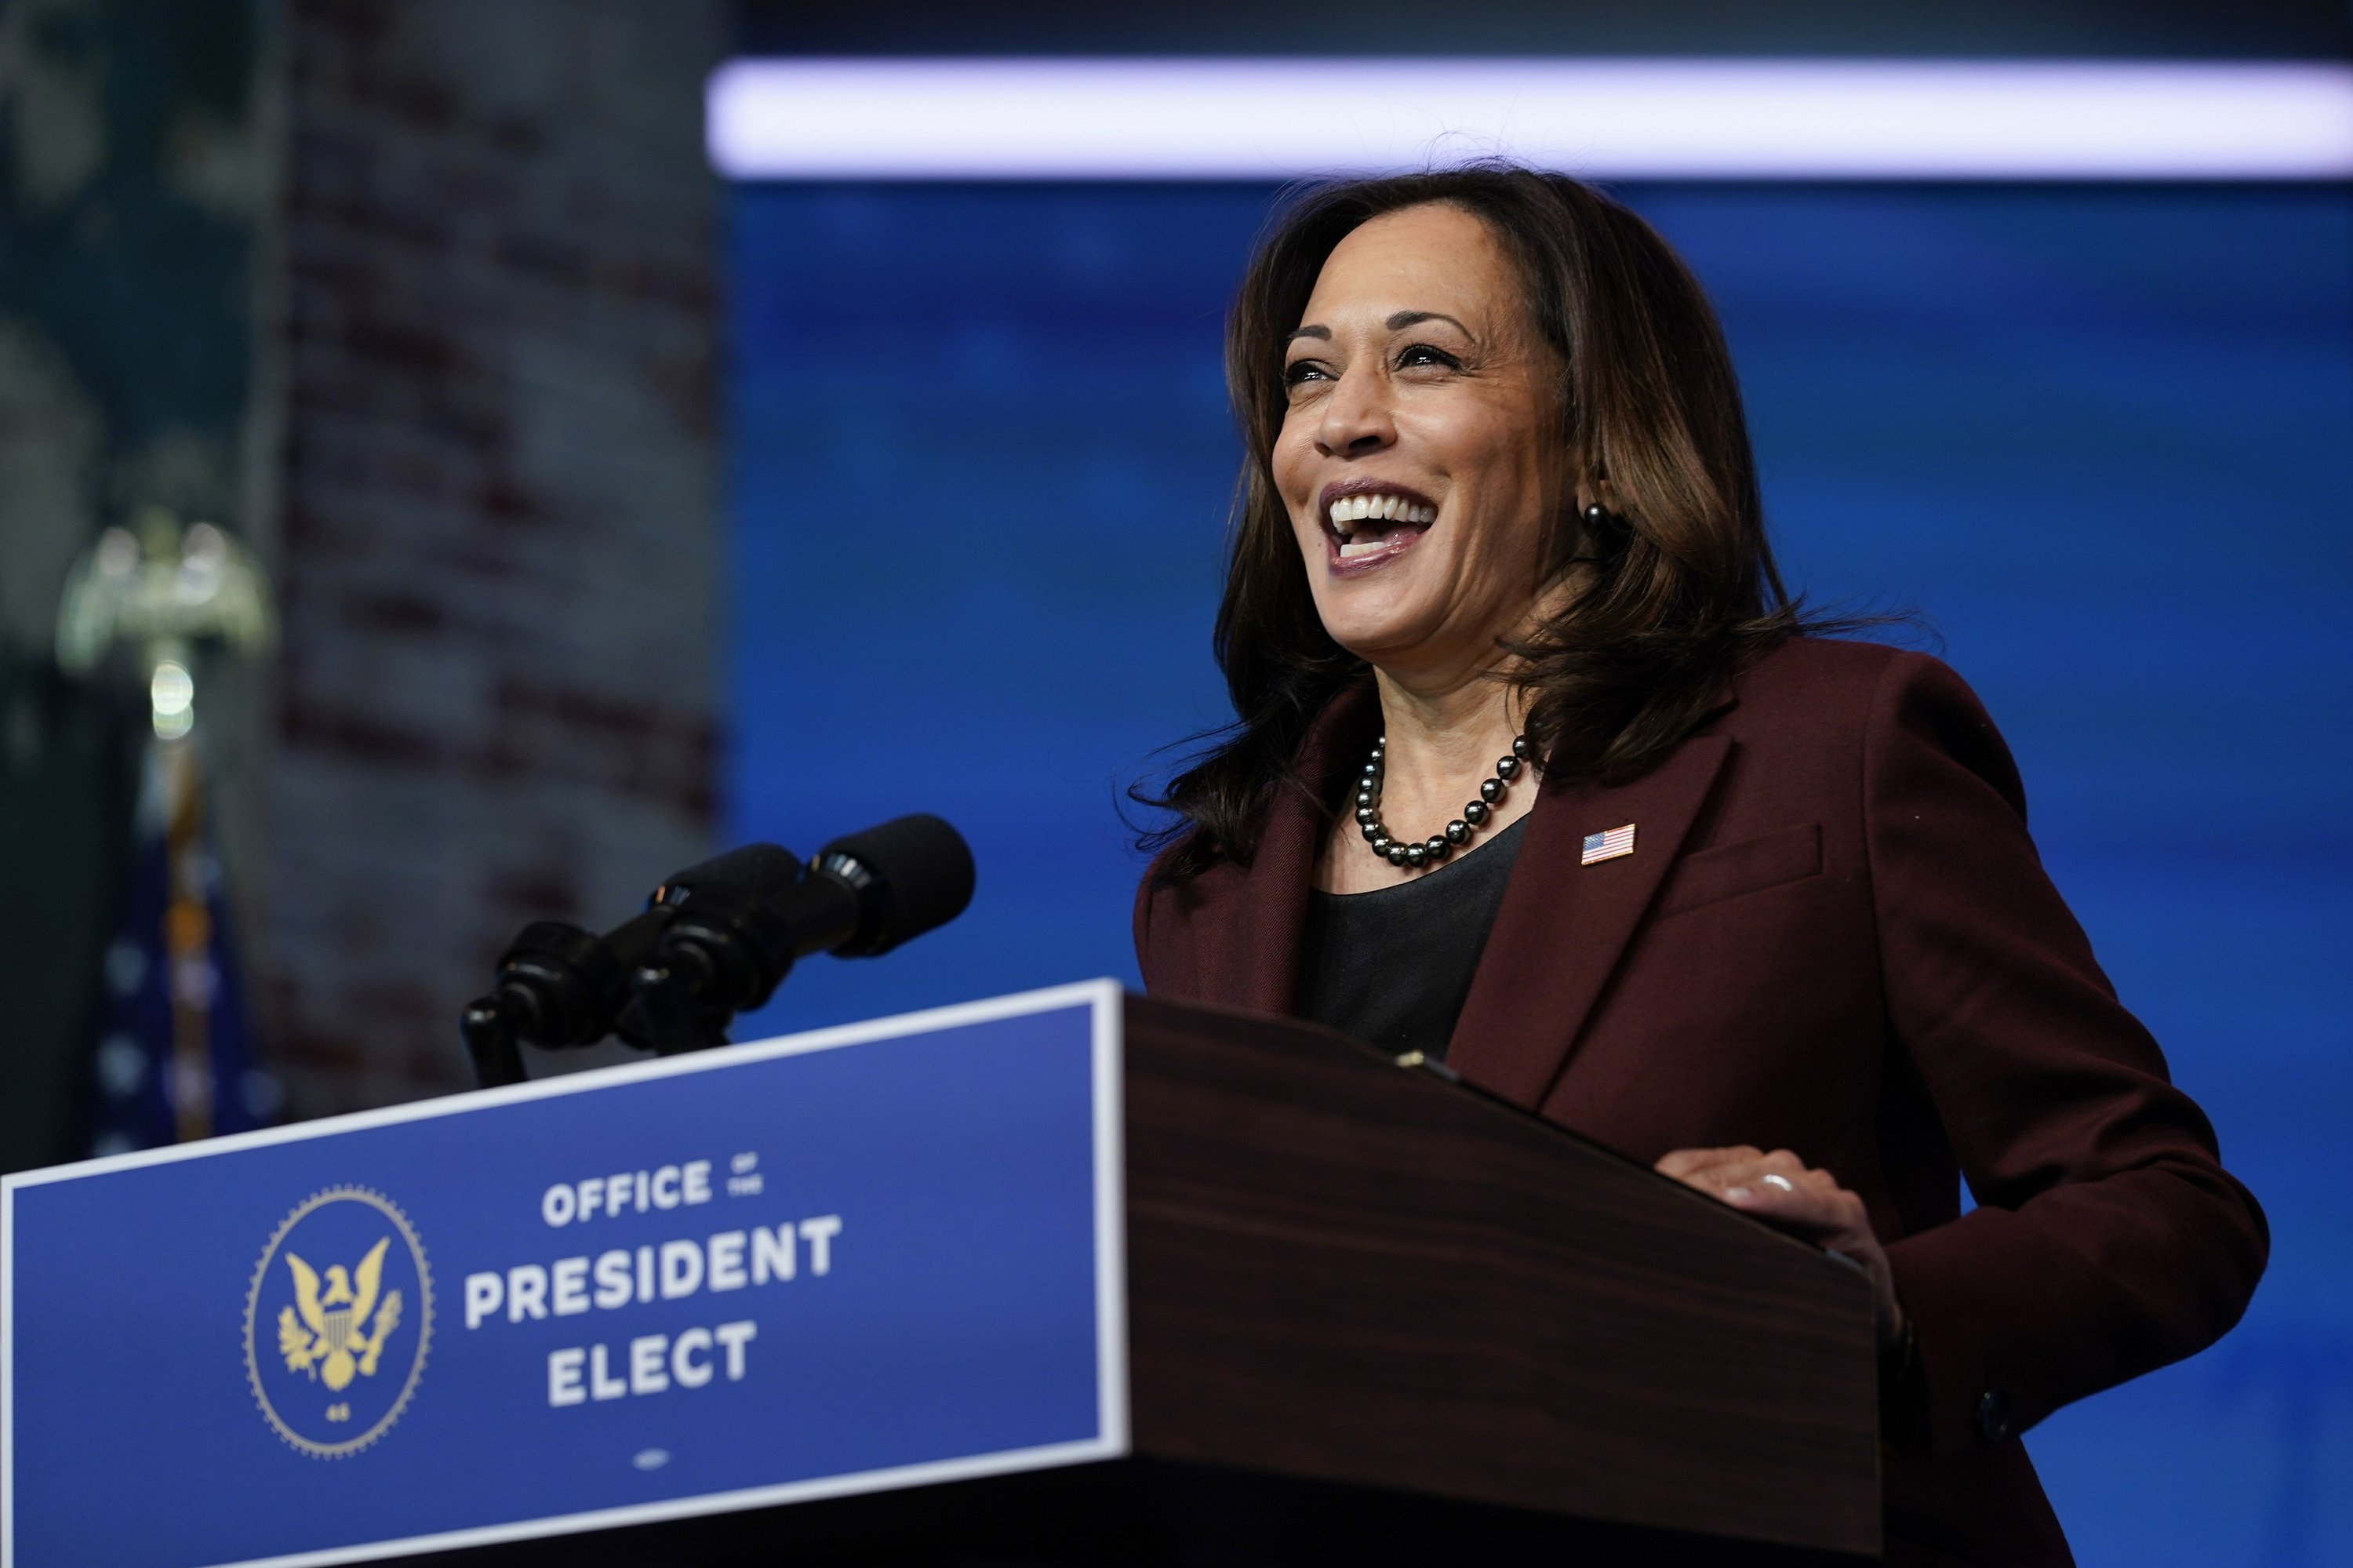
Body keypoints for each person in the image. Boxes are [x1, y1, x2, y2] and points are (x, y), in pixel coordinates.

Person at [1131, 166, 2266, 1566]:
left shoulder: (1834, 747)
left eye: (1424, 359)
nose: (1342, 423)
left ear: (1602, 446)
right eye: (1308, 380)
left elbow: (2164, 1209)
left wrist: (1880, 1315)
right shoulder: (1212, 888)